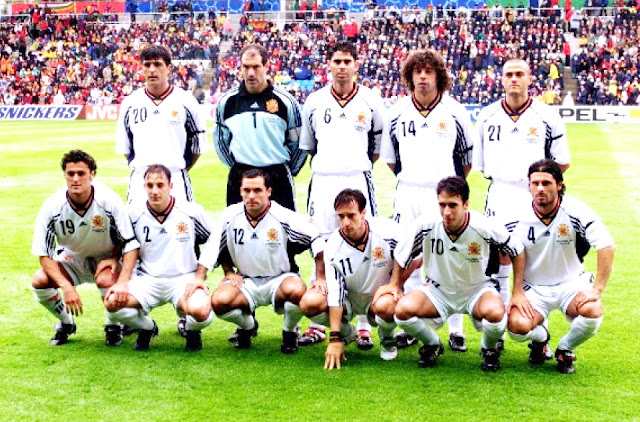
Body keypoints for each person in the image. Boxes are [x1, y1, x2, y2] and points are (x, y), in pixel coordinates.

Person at [380, 49, 475, 352]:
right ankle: (412, 322)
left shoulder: (456, 111)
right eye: (417, 71)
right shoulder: (396, 111)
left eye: (428, 71)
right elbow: (391, 159)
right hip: (408, 191)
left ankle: (457, 328)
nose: (422, 76)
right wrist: (415, 176)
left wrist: (449, 188)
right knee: (407, 253)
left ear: (438, 75)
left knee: (452, 255)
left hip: (442, 195)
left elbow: (466, 158)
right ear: (410, 76)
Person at [473, 58, 570, 350]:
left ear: (530, 79)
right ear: (501, 80)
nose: (514, 79)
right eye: (508, 75)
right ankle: (500, 327)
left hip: (533, 196)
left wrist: (538, 186)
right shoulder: (487, 115)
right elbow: (480, 165)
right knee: (501, 256)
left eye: (519, 74)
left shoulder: (547, 116)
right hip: (500, 193)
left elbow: (561, 162)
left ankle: (540, 332)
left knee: (535, 259)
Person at [379, 177, 524, 371]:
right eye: (442, 205)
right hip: (438, 291)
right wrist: (394, 284)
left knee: (496, 314)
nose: (446, 212)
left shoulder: (484, 226)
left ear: (466, 204)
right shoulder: (426, 224)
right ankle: (432, 344)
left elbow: (517, 250)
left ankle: (488, 349)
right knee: (402, 311)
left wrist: (518, 292)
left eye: (453, 205)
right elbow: (402, 253)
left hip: (477, 290)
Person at [299, 41, 386, 348]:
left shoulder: (372, 101)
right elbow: (309, 145)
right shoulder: (314, 101)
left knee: (364, 242)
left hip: (358, 177)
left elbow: (375, 148)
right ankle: (318, 322)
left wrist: (352, 166)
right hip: (323, 180)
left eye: (347, 60)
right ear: (329, 65)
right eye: (336, 60)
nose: (342, 66)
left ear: (356, 64)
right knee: (320, 241)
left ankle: (363, 323)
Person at [508, 159, 614, 374]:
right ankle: (541, 339)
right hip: (534, 288)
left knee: (592, 310)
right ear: (528, 185)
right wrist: (516, 292)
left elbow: (606, 245)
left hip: (571, 285)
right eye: (535, 183)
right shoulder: (515, 216)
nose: (540, 188)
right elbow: (500, 252)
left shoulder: (575, 210)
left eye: (546, 183)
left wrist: (597, 289)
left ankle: (565, 349)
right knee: (516, 329)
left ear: (559, 185)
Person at [31, 150, 139, 346]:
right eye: (70, 173)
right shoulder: (52, 207)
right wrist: (66, 286)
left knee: (106, 278)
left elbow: (130, 243)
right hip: (72, 260)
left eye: (81, 173)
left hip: (106, 259)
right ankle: (66, 323)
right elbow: (44, 254)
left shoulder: (109, 200)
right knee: (40, 280)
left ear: (92, 174)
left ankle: (113, 326)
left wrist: (120, 273)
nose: (75, 179)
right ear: (64, 175)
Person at [299, 189, 418, 368]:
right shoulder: (333, 246)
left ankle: (387, 339)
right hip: (350, 299)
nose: (345, 222)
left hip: (379, 299)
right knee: (309, 303)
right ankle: (347, 333)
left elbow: (416, 257)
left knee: (389, 304)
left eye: (351, 215)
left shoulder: (388, 231)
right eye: (341, 216)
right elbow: (336, 294)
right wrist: (335, 338)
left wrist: (396, 284)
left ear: (364, 213)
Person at [211, 169, 325, 354]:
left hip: (279, 279)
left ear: (269, 191)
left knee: (297, 291)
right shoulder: (230, 216)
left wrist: (320, 277)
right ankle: (247, 327)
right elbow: (217, 245)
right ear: (240, 192)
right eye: (246, 190)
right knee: (219, 302)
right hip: (246, 281)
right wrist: (228, 272)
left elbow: (317, 240)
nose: (251, 196)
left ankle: (289, 332)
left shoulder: (283, 216)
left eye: (257, 190)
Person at [104, 164, 216, 351]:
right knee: (112, 304)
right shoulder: (133, 213)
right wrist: (115, 262)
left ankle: (192, 330)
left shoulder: (191, 212)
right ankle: (147, 328)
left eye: (160, 185)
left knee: (200, 311)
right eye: (150, 185)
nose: (155, 191)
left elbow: (214, 242)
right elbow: (119, 239)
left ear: (171, 186)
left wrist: (199, 276)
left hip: (183, 279)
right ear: (144, 187)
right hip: (147, 280)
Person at [213, 43, 306, 211]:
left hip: (278, 176)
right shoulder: (227, 102)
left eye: (256, 67)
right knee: (238, 232)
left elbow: (298, 142)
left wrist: (286, 171)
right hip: (240, 177)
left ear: (266, 66)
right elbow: (221, 141)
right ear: (239, 68)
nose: (250, 73)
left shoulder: (286, 102)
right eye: (246, 67)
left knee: (284, 234)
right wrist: (236, 168)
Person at [116, 44, 206, 204]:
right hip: (140, 180)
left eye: (157, 64)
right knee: (135, 227)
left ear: (169, 68)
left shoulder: (186, 101)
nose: (152, 69)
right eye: (147, 64)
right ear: (141, 68)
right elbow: (126, 147)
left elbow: (197, 146)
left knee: (181, 227)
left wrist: (177, 168)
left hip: (175, 179)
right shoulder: (130, 103)